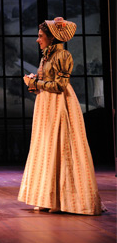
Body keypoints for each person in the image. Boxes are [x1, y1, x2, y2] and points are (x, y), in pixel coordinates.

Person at [18, 17, 104, 215]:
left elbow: (59, 86)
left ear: (51, 37)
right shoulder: (45, 56)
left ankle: (64, 199)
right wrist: (33, 82)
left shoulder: (63, 55)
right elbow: (45, 81)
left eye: (40, 37)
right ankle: (47, 197)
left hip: (59, 104)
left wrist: (36, 84)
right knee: (47, 147)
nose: (38, 40)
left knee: (61, 145)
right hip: (45, 105)